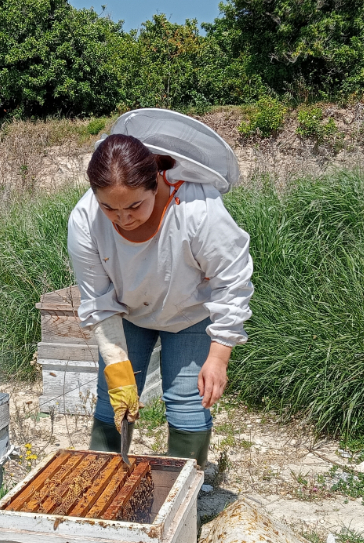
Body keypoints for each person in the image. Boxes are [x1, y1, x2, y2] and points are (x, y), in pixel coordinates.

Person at [66, 109, 254, 468]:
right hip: (127, 314)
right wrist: (119, 372)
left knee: (186, 403)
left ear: (156, 181)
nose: (122, 218)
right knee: (113, 398)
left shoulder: (199, 210)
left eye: (134, 205)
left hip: (190, 314)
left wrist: (218, 357)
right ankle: (102, 480)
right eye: (109, 207)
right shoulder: (85, 219)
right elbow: (98, 301)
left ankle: (184, 500)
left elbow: (232, 280)